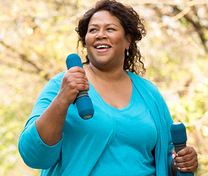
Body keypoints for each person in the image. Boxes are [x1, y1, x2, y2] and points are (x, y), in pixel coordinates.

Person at [18, 0, 198, 175]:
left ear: (128, 40)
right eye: (93, 30)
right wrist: (62, 99)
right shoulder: (61, 85)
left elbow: (166, 154)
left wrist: (180, 162)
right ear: (85, 41)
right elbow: (32, 154)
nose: (100, 34)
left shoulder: (149, 93)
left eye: (110, 29)